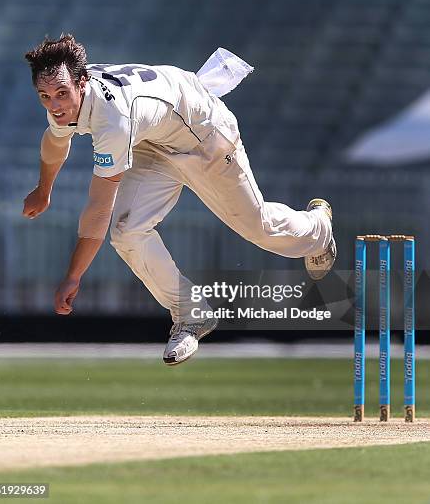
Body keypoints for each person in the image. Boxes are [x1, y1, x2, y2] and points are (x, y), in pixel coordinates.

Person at [22, 35, 336, 366]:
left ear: (82, 83)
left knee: (259, 228)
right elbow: (56, 141)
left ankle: (318, 230)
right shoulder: (66, 98)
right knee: (128, 233)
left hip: (204, 136)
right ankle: (191, 313)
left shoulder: (111, 120)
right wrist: (44, 190)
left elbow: (99, 208)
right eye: (44, 96)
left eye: (61, 94)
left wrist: (73, 276)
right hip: (153, 140)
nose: (55, 105)